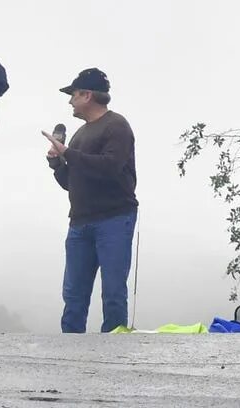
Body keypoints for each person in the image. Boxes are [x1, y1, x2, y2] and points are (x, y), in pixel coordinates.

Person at [45, 67, 138, 333]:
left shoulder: (116, 125)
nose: (69, 101)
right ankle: (71, 352)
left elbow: (110, 166)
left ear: (87, 95)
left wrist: (67, 153)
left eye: (73, 95)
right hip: (79, 222)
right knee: (73, 295)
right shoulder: (79, 135)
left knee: (113, 292)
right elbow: (71, 183)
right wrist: (56, 163)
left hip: (115, 218)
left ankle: (115, 350)